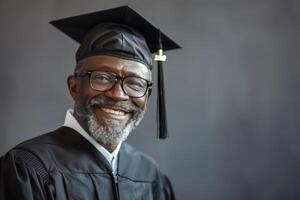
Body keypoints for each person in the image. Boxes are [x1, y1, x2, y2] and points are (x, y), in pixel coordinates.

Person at [0, 6, 180, 200]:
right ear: (74, 87)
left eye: (135, 84)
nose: (118, 95)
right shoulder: (29, 168)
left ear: (147, 96)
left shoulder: (151, 176)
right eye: (102, 78)